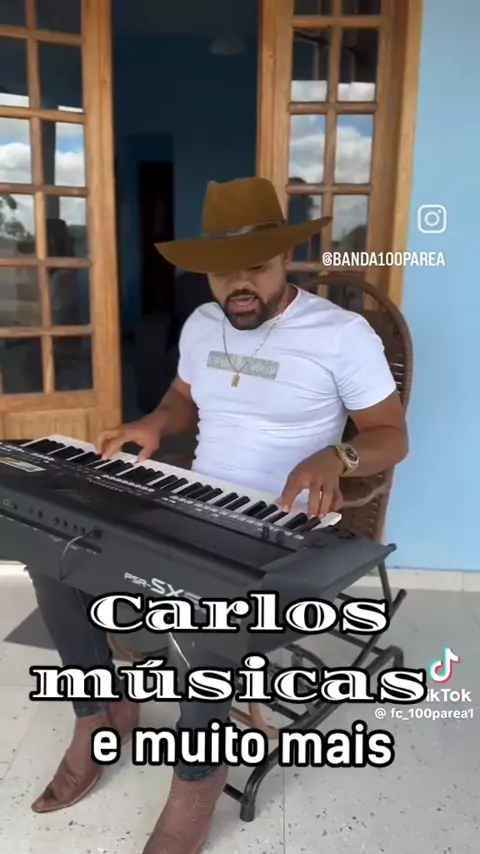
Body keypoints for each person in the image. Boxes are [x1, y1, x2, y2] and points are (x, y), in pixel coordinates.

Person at [28, 177, 408, 853]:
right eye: (222, 271)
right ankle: (98, 715)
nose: (239, 285)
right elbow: (182, 400)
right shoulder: (203, 324)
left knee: (208, 617)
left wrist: (338, 455)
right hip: (192, 504)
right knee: (53, 554)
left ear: (285, 258)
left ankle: (196, 783)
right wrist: (153, 423)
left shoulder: (341, 335)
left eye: (255, 267)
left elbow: (390, 436)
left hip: (285, 529)